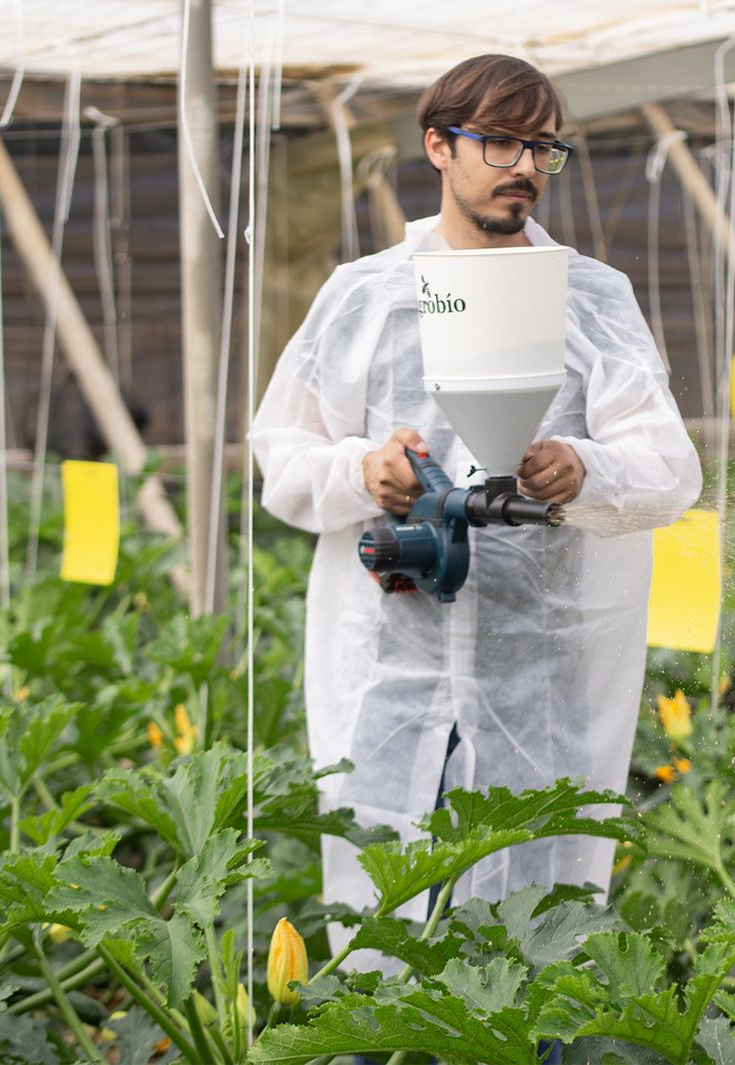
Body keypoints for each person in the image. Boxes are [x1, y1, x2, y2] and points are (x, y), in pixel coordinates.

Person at [250, 54, 702, 972]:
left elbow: (668, 468)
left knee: (532, 940)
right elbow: (282, 458)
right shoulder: (366, 296)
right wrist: (364, 471)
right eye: (499, 142)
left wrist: (583, 467)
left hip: (542, 678)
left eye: (542, 148)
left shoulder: (591, 297)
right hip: (391, 674)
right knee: (385, 933)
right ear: (438, 147)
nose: (524, 166)